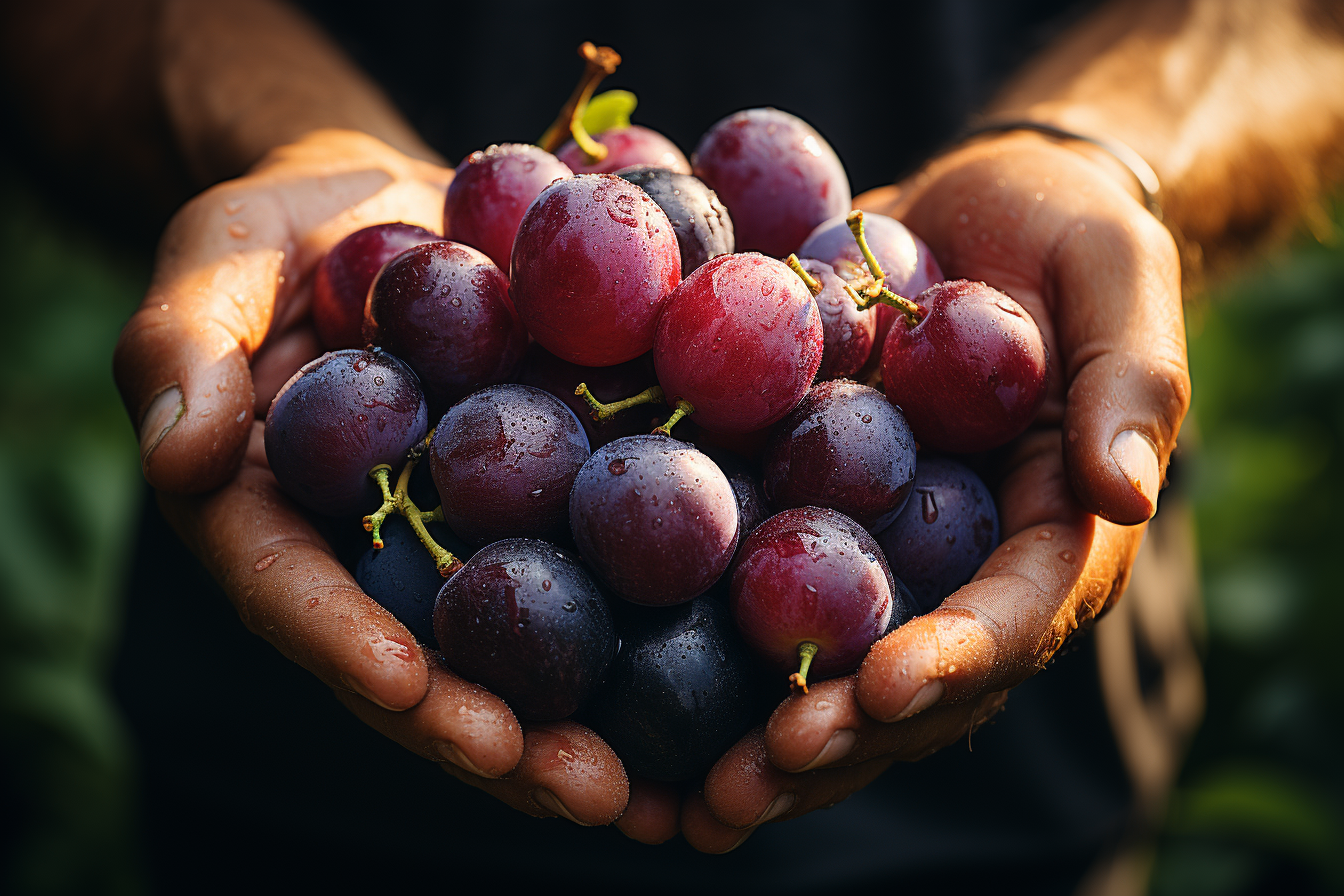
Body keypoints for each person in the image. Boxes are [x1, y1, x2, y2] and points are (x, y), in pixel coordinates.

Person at [5, 0, 1342, 890]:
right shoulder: (507, 400)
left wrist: (1098, 154)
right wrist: (271, 127)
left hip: (998, 818)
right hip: (300, 797)